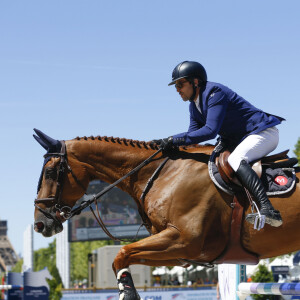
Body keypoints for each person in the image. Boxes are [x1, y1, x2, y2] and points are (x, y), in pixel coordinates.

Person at [152, 61, 284, 227]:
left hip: (262, 133)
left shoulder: (215, 92)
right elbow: (193, 136)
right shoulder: (194, 106)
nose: (177, 89)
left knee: (236, 159)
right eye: (176, 86)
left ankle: (268, 209)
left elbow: (209, 131)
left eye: (180, 84)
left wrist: (172, 139)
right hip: (240, 139)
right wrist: (170, 144)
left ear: (195, 82)